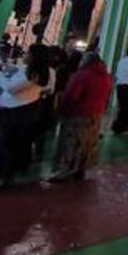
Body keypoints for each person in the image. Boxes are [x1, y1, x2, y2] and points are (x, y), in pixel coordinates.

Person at [48, 52, 113, 182]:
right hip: (96, 113)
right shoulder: (105, 76)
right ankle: (81, 168)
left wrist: (62, 108)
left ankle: (65, 170)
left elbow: (72, 95)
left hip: (78, 114)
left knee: (71, 143)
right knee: (87, 143)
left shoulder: (82, 75)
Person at [0, 44, 49, 187]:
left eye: (28, 53)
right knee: (14, 144)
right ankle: (8, 174)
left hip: (17, 113)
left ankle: (6, 177)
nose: (25, 55)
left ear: (34, 56)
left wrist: (1, 77)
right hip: (22, 110)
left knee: (8, 145)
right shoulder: (33, 71)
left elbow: (11, 88)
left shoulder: (33, 75)